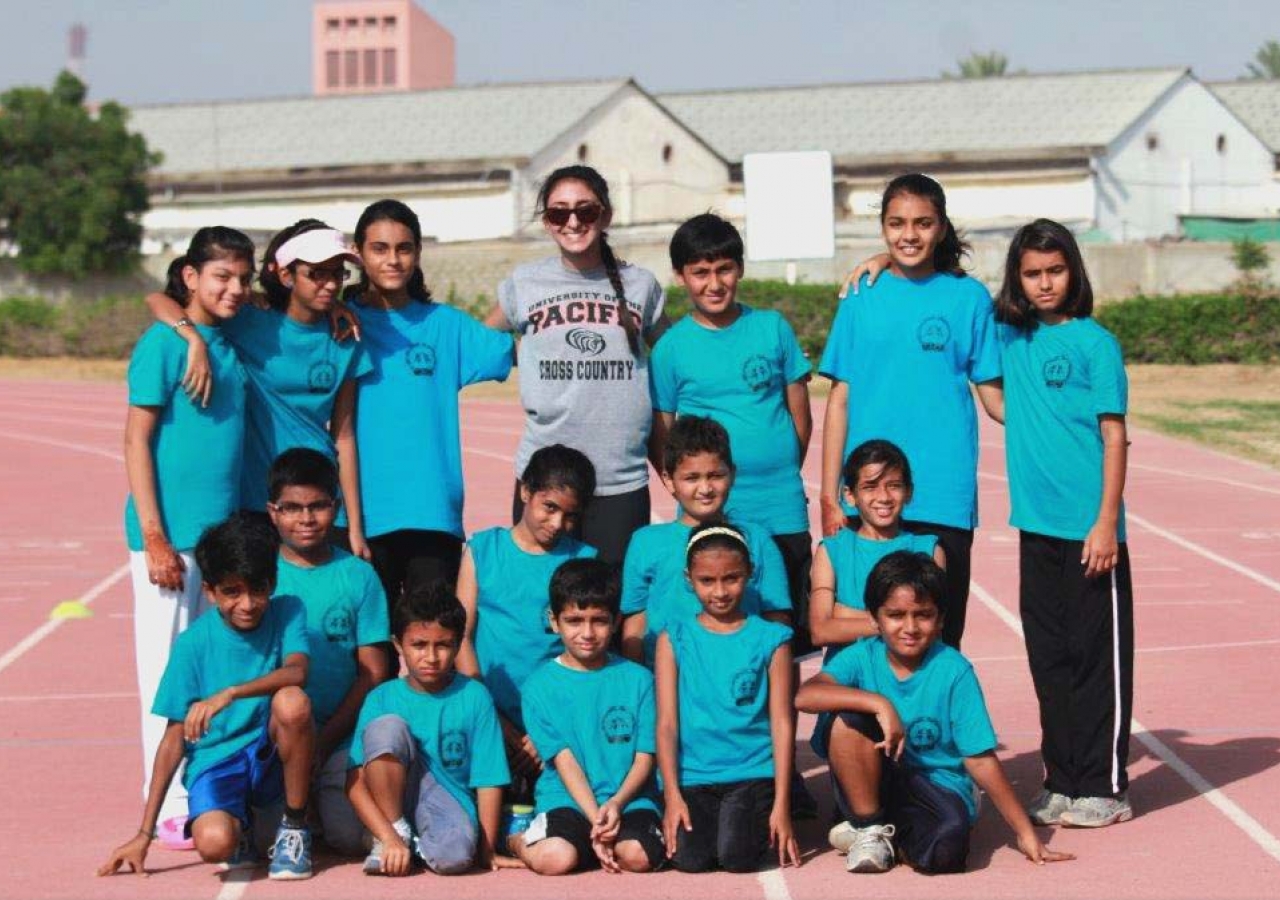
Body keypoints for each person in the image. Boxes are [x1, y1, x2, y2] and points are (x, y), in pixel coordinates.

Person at [798, 551, 1074, 874]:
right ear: (874, 619)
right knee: (846, 721)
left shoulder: (954, 670)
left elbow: (980, 759)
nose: (910, 627)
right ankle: (869, 827)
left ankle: (888, 836)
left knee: (948, 852)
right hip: (876, 773)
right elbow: (806, 695)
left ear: (941, 618)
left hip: (934, 780)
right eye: (896, 615)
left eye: (923, 614)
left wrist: (1024, 833)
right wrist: (878, 704)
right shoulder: (862, 655)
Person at [819, 173, 1002, 649]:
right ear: (881, 227)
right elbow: (839, 399)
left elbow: (994, 398)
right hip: (870, 495)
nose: (909, 235)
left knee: (936, 640)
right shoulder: (861, 295)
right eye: (897, 223)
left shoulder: (970, 299)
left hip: (943, 495)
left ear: (941, 227)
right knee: (866, 639)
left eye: (923, 223)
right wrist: (829, 493)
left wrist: (1069, 420)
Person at [994, 218, 1135, 828]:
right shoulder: (1011, 339)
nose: (1045, 283)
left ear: (1073, 272)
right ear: (1017, 280)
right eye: (1033, 273)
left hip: (1090, 531)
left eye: (1055, 271)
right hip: (1036, 528)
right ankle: (1060, 780)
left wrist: (1105, 522)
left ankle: (1103, 785)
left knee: (1094, 659)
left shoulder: (1095, 344)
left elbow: (1114, 434)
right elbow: (1001, 401)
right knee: (1048, 657)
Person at [123, 226, 255, 845]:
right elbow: (135, 440)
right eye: (221, 276)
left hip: (222, 540)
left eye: (242, 277)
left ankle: (208, 784)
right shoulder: (162, 344)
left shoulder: (227, 342)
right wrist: (153, 537)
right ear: (191, 278)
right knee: (168, 673)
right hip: (170, 541)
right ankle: (170, 798)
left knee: (209, 668)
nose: (234, 288)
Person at [98, 514, 315, 880]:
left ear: (272, 583)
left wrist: (229, 694)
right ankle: (242, 825)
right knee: (215, 843)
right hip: (218, 761)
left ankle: (294, 827)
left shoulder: (288, 610)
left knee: (292, 701)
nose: (247, 604)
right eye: (232, 592)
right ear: (211, 592)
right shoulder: (192, 645)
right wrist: (144, 834)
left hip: (269, 753)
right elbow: (172, 739)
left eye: (257, 589)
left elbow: (297, 672)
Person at [146, 220, 373, 551]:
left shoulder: (346, 337)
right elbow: (157, 299)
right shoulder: (247, 319)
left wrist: (354, 525)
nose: (329, 284)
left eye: (337, 274)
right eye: (316, 273)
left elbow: (345, 435)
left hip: (319, 501)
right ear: (286, 275)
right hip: (256, 501)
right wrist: (190, 334)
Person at [486, 165, 669, 564]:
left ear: (605, 215)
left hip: (619, 480)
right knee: (543, 610)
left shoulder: (641, 285)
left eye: (585, 211)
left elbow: (679, 356)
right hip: (545, 484)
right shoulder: (525, 283)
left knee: (613, 613)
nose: (572, 222)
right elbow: (474, 345)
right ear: (547, 222)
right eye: (558, 213)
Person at [650, 212, 813, 650]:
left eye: (723, 269)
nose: (714, 283)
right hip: (716, 519)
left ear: (739, 268)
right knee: (722, 636)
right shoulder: (670, 349)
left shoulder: (771, 328)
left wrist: (777, 466)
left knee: (786, 638)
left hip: (782, 509)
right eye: (700, 273)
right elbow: (663, 434)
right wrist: (690, 491)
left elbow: (800, 416)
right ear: (681, 276)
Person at [341, 199, 514, 604]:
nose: (393, 260)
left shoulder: (446, 325)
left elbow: (521, 350)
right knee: (370, 650)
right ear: (358, 252)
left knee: (433, 646)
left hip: (433, 512)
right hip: (363, 515)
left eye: (404, 248)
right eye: (380, 249)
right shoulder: (339, 323)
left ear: (418, 253)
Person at [265, 448, 390, 853]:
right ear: (272, 511)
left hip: (339, 735)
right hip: (279, 732)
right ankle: (290, 811)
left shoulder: (358, 575)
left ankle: (328, 797)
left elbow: (372, 672)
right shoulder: (260, 574)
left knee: (350, 840)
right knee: (260, 840)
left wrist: (324, 741)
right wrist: (301, 744)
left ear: (335, 508)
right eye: (293, 508)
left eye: (318, 506)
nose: (305, 519)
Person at [656, 524, 801, 873]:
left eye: (732, 578)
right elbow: (666, 723)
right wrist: (672, 795)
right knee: (690, 860)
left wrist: (782, 802)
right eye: (707, 581)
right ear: (689, 578)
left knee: (736, 858)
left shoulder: (773, 639)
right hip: (694, 776)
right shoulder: (673, 638)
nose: (720, 592)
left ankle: (756, 813)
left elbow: (782, 722)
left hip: (751, 771)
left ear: (749, 573)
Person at [345, 581, 514, 876]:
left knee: (457, 858)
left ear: (459, 644)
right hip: (391, 791)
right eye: (419, 645)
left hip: (446, 795)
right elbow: (356, 781)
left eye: (443, 645)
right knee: (387, 729)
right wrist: (388, 836)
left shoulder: (475, 696)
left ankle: (413, 845)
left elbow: (488, 778)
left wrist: (486, 848)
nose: (431, 657)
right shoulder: (381, 697)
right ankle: (394, 833)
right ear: (398, 645)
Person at [456, 444, 598, 794]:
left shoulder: (583, 560)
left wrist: (545, 732)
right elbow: (462, 637)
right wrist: (495, 719)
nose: (557, 524)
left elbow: (587, 653)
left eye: (569, 515)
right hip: (489, 715)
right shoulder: (483, 550)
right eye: (549, 507)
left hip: (557, 724)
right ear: (524, 491)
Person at [509, 558, 665, 875]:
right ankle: (514, 837)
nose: (588, 633)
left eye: (599, 620)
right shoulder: (538, 686)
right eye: (575, 620)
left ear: (617, 620)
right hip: (566, 798)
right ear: (554, 621)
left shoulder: (639, 680)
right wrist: (597, 818)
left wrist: (616, 804)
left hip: (630, 799)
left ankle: (608, 837)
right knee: (556, 859)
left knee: (638, 856)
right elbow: (564, 761)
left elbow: (645, 757)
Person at [621, 415, 791, 667]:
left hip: (737, 677)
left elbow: (777, 619)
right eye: (692, 478)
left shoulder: (757, 540)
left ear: (732, 474)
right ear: (668, 480)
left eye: (715, 475)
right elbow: (635, 623)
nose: (705, 488)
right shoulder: (646, 542)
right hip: (666, 682)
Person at [809, 439, 945, 659]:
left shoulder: (929, 550)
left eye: (894, 486)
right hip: (849, 680)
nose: (883, 497)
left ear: (909, 492)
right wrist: (899, 622)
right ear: (849, 495)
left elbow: (933, 626)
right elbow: (820, 630)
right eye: (870, 487)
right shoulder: (832, 550)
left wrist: (844, 615)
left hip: (909, 676)